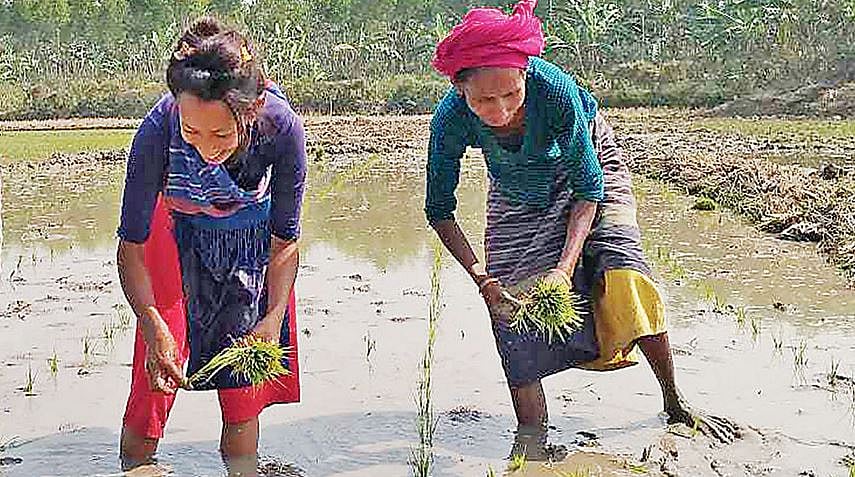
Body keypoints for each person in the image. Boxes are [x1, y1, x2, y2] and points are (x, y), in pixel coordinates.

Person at [425, 0, 739, 448]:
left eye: (512, 95)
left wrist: (564, 267)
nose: (501, 111)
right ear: (461, 92)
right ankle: (531, 438)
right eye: (484, 101)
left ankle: (674, 401)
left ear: (525, 77)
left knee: (623, 268)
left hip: (589, 165)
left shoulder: (554, 91)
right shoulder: (450, 120)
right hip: (517, 185)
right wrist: (481, 277)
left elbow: (589, 187)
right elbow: (439, 209)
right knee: (510, 306)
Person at [116, 17, 306, 474]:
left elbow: (285, 241)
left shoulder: (282, 130)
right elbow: (131, 247)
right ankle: (135, 463)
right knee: (157, 370)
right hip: (174, 227)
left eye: (221, 134)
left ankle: (242, 466)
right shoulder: (157, 131)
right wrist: (150, 320)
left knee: (244, 379)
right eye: (193, 133)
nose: (206, 148)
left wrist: (273, 316)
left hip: (251, 238)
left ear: (253, 108)